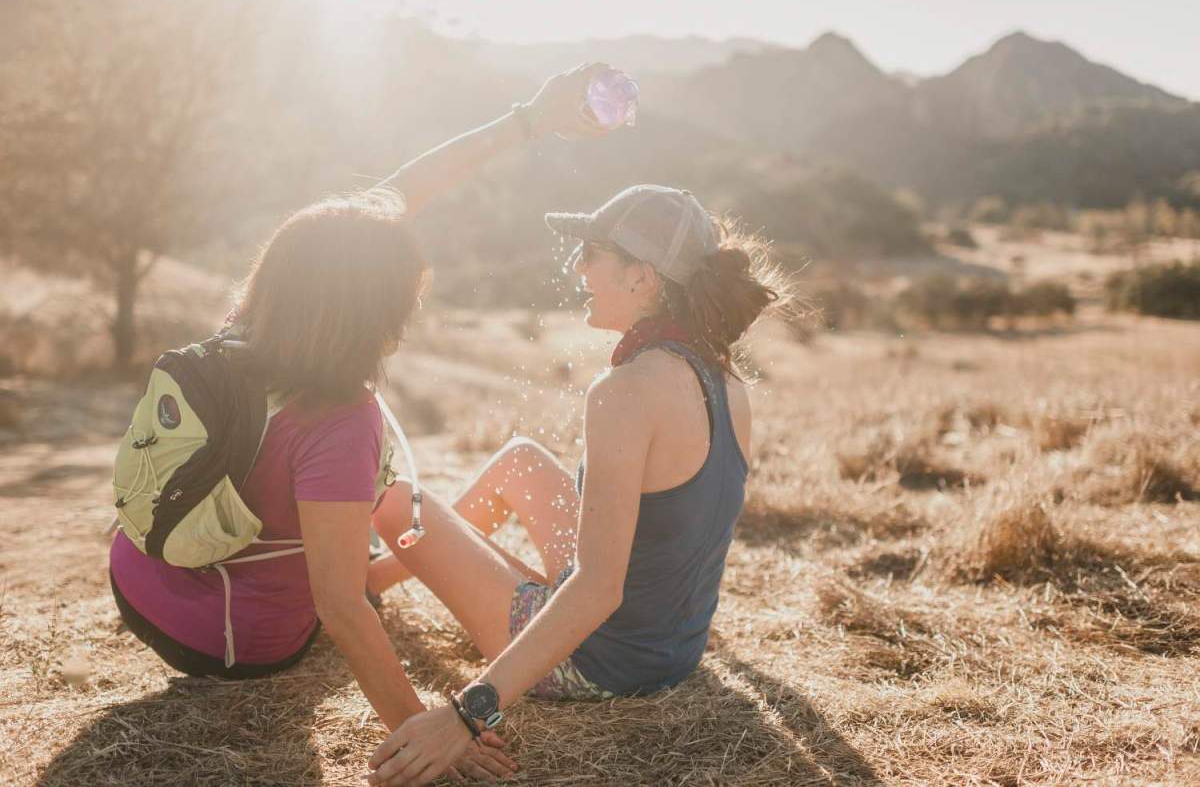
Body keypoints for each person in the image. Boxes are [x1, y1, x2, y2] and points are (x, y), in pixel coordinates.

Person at [106, 63, 613, 781]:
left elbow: (406, 188)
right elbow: (339, 608)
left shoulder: (246, 328)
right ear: (369, 313)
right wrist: (424, 731)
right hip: (232, 643)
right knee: (372, 517)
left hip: (135, 581)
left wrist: (530, 119)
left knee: (342, 502)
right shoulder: (342, 422)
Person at [365, 185, 794, 786]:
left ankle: (363, 581)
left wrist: (466, 716)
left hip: (597, 663)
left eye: (593, 253)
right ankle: (374, 583)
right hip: (673, 647)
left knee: (395, 503)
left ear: (641, 278)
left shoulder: (626, 390)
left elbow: (598, 589)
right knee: (520, 460)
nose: (577, 268)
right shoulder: (727, 380)